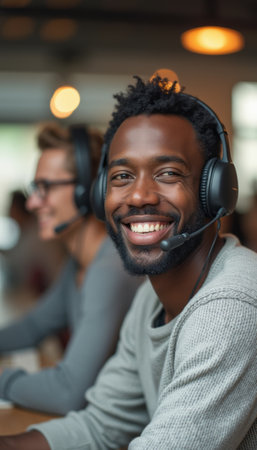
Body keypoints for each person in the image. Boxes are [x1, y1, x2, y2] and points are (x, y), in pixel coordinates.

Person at [0, 76, 256, 449]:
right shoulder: (149, 301)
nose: (137, 196)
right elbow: (101, 426)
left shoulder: (231, 308)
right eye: (121, 176)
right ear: (102, 192)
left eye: (167, 173)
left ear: (213, 191)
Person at [0, 122, 142, 416]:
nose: (32, 203)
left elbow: (68, 393)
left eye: (45, 188)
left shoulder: (108, 269)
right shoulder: (79, 262)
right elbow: (35, 326)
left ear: (86, 191)